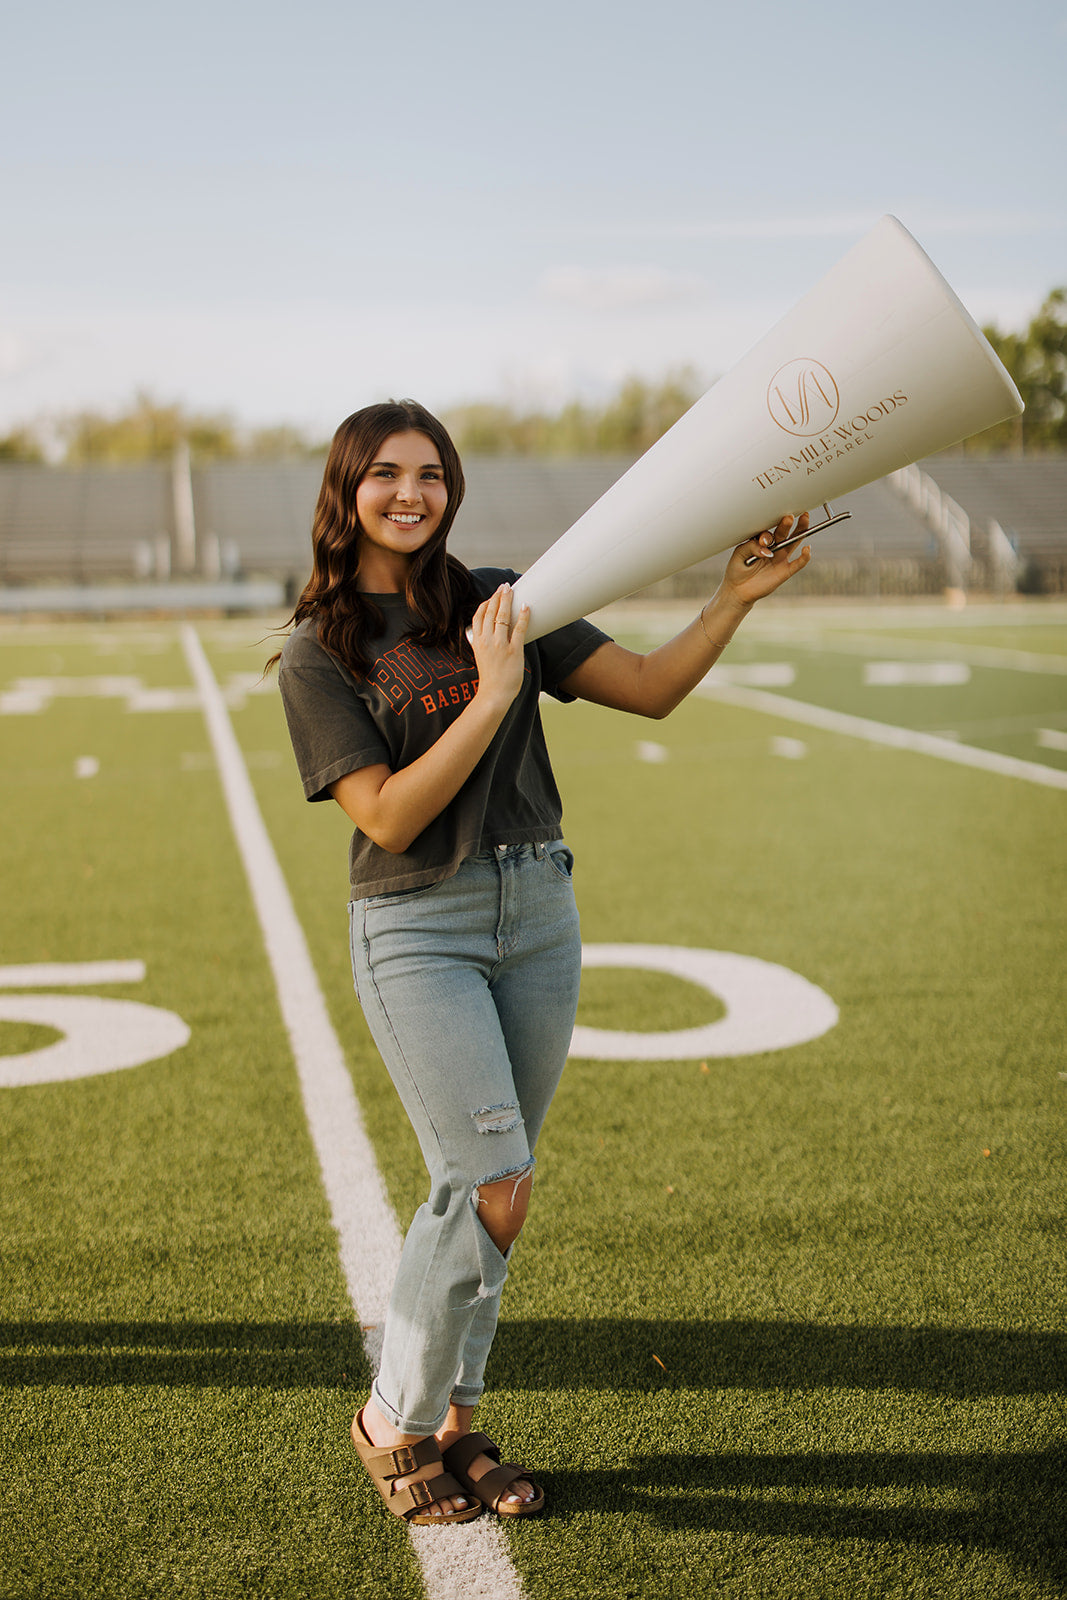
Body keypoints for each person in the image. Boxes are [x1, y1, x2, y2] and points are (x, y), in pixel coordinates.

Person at [275, 398, 810, 1526]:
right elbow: (385, 817)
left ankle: (460, 1421)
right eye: (385, 474)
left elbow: (653, 689)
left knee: (501, 1190)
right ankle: (395, 1418)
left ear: (450, 487)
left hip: (538, 909)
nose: (410, 493)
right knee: (488, 1183)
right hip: (418, 924)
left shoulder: (502, 598)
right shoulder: (319, 648)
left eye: (430, 473)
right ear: (347, 491)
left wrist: (730, 597)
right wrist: (494, 695)